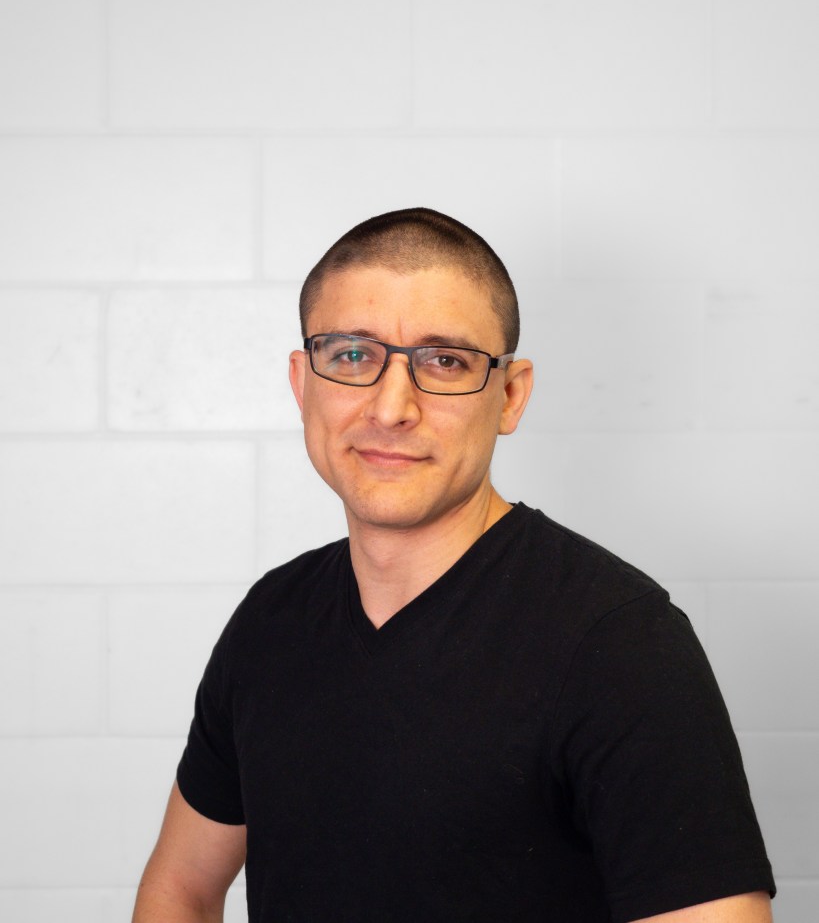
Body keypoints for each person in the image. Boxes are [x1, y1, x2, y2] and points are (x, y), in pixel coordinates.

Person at [133, 208, 775, 922]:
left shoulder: (619, 644)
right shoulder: (271, 619)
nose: (391, 408)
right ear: (302, 382)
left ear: (509, 396)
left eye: (444, 361)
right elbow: (181, 887)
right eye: (352, 354)